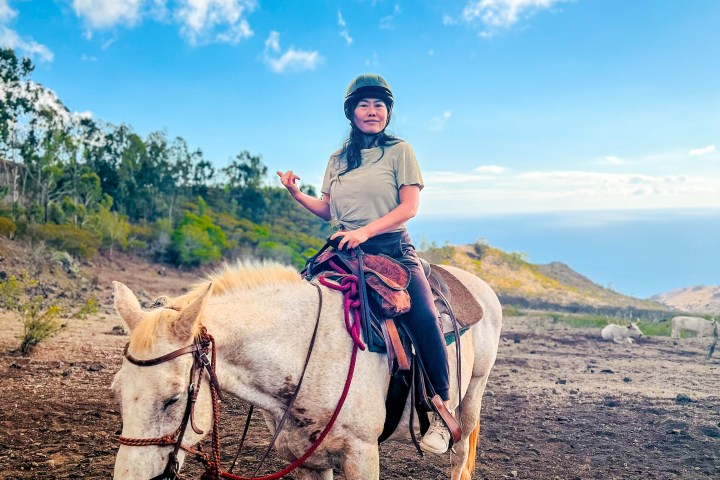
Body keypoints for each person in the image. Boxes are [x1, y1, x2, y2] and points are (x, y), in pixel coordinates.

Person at [277, 73, 454, 454]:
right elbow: (328, 210)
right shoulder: (337, 159)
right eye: (364, 104)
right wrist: (295, 193)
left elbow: (409, 207)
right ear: (351, 112)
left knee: (423, 316)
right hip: (343, 249)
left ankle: (440, 409)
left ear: (388, 112)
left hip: (391, 249)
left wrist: (365, 232)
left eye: (379, 105)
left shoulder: (400, 151)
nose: (372, 111)